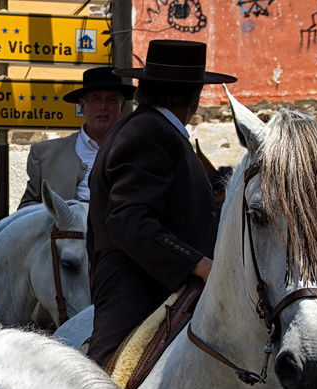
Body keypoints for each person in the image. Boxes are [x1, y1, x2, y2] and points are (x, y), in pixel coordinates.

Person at [86, 40, 237, 369]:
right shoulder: (149, 131)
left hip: (157, 291)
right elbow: (129, 221)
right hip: (139, 295)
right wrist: (199, 264)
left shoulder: (153, 129)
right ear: (194, 95)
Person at [18, 67, 134, 209]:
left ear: (121, 106)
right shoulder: (45, 154)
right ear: (82, 105)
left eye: (111, 100)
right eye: (96, 99)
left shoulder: (139, 153)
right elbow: (26, 210)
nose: (103, 106)